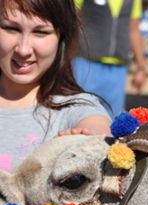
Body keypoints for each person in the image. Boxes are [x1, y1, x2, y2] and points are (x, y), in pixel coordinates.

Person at [0, 0, 112, 173]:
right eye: (11, 29)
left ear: (61, 36)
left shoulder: (76, 107)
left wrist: (90, 140)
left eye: (40, 32)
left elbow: (99, 132)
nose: (23, 50)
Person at [73, 0, 146, 119]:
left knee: (113, 117)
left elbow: (134, 30)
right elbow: (70, 20)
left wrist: (141, 68)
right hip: (86, 62)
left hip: (117, 67)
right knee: (79, 113)